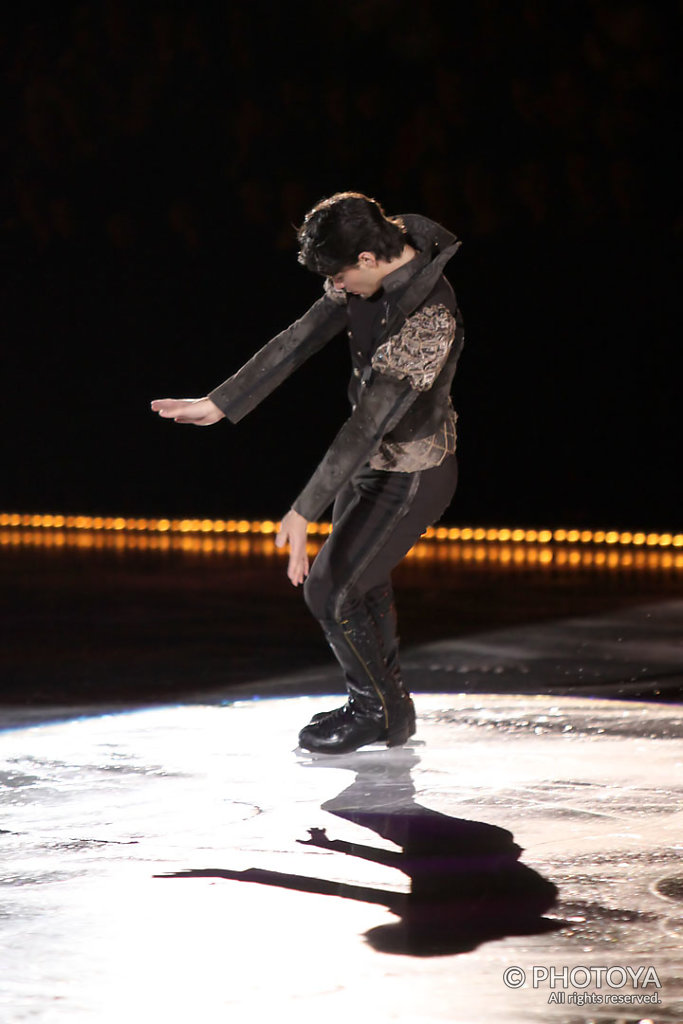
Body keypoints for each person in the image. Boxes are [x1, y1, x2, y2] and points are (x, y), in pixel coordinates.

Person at [151, 191, 464, 754]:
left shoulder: (431, 314)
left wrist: (302, 510)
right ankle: (389, 711)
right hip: (366, 462)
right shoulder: (363, 271)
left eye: (341, 276)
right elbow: (300, 338)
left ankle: (373, 709)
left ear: (368, 259)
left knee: (331, 590)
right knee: (357, 585)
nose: (336, 288)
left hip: (412, 471)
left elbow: (371, 421)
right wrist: (220, 402)